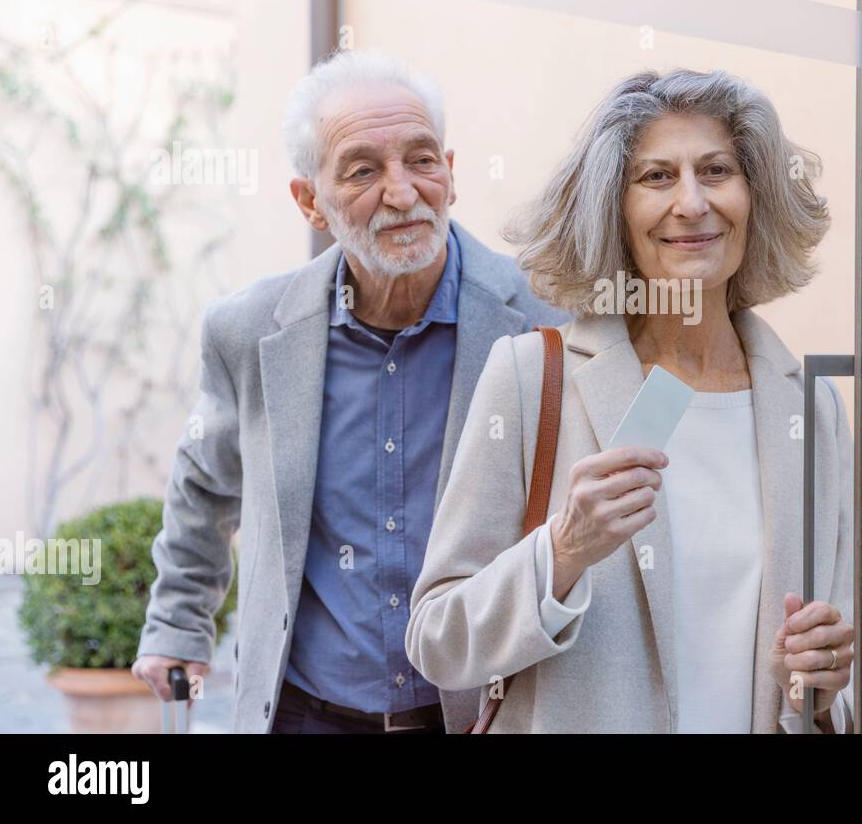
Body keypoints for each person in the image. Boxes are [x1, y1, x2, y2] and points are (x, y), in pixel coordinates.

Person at [405, 68, 855, 733]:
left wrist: (822, 685)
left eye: (717, 170)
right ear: (612, 209)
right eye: (657, 177)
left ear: (755, 197)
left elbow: (831, 683)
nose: (693, 202)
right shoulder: (531, 377)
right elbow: (437, 639)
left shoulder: (809, 408)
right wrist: (562, 550)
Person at [132, 50, 565, 733]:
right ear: (310, 201)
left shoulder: (548, 323)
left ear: (450, 172)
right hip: (306, 714)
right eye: (363, 170)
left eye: (422, 160)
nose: (402, 193)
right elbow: (205, 486)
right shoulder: (248, 332)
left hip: (479, 711)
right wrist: (176, 624)